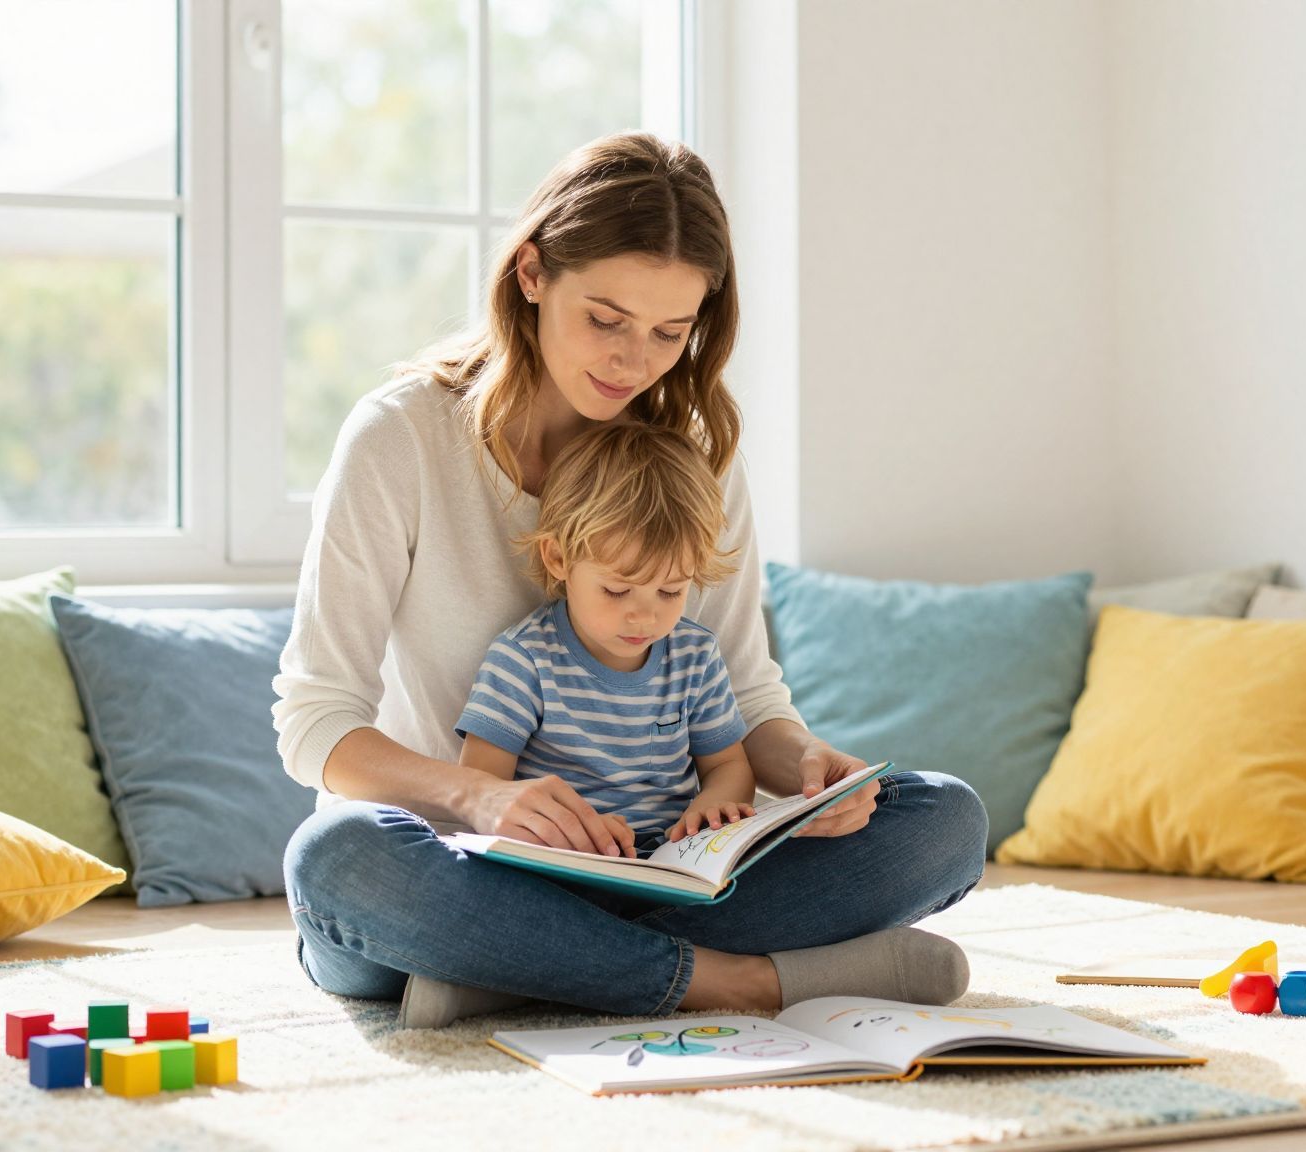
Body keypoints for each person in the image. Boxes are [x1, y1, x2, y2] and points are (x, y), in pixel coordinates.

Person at [275, 132, 989, 1029]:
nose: (631, 360)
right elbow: (315, 725)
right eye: (605, 319)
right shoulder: (401, 438)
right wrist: (483, 796)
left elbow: (744, 685)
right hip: (455, 860)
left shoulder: (691, 451)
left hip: (658, 865)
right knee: (337, 859)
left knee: (943, 820)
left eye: (668, 332)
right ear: (532, 274)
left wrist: (805, 770)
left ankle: (519, 970)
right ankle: (737, 983)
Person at [455, 421, 762, 856]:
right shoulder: (524, 660)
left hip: (670, 860)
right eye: (617, 591)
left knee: (891, 801)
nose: (645, 615)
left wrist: (714, 805)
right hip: (564, 862)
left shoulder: (695, 656)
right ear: (559, 558)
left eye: (671, 591)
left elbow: (729, 764)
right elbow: (484, 786)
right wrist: (568, 829)